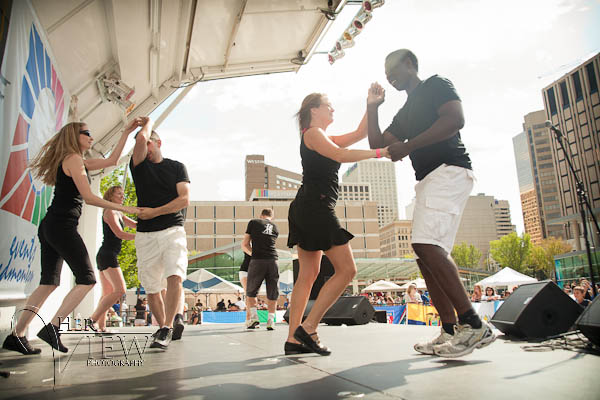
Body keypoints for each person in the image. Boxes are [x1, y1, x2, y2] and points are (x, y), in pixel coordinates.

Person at [366, 49, 495, 358]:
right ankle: (451, 330)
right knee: (425, 256)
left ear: (411, 63)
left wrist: (409, 146)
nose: (389, 76)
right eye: (385, 73)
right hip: (428, 179)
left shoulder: (436, 84)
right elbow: (376, 145)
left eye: (393, 68)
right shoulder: (405, 112)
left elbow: (455, 119)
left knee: (426, 246)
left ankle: (474, 324)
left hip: (449, 170)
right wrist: (372, 108)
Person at [2, 120, 140, 355]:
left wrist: (126, 132)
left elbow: (113, 161)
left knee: (48, 282)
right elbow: (89, 197)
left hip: (52, 225)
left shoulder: (80, 162)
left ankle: (17, 335)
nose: (91, 137)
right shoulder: (73, 160)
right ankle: (54, 327)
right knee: (87, 279)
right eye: (86, 133)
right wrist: (125, 209)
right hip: (61, 226)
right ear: (73, 136)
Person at [285, 92, 390, 356]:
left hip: (306, 206)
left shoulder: (322, 136)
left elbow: (360, 132)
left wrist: (371, 104)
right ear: (313, 110)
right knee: (347, 270)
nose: (334, 111)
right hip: (315, 206)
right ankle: (308, 328)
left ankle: (293, 340)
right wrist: (380, 152)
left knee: (307, 277)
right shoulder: (312, 134)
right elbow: (341, 155)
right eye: (329, 106)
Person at [130, 118, 190, 349]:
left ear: (159, 143)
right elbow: (141, 140)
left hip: (172, 229)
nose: (144, 149)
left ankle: (166, 327)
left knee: (175, 276)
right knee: (153, 288)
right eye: (141, 145)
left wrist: (155, 212)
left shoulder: (176, 167)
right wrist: (141, 132)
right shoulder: (138, 167)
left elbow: (183, 199)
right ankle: (165, 323)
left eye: (147, 144)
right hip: (145, 235)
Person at [87, 190, 136, 332]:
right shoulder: (109, 212)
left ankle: (101, 327)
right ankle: (92, 319)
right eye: (119, 194)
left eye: (123, 194)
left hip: (106, 255)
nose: (123, 196)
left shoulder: (119, 213)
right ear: (110, 196)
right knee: (120, 290)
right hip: (107, 255)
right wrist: (140, 237)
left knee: (107, 294)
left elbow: (135, 225)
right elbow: (119, 234)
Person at [242, 209, 280, 331]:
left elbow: (245, 244)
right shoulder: (275, 227)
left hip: (257, 260)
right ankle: (270, 320)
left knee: (251, 290)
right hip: (273, 260)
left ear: (261, 215)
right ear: (271, 217)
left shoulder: (253, 222)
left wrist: (253, 254)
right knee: (272, 291)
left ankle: (254, 318)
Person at [238, 252, 252, 323]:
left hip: (257, 271)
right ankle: (248, 318)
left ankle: (252, 317)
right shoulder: (248, 242)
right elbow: (244, 246)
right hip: (245, 270)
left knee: (254, 295)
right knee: (249, 294)